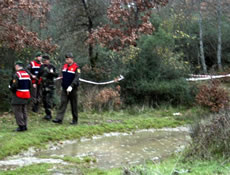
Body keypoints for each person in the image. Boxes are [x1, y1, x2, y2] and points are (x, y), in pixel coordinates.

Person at [52, 52, 81, 125]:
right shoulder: (64, 66)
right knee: (63, 102)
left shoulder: (76, 67)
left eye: (68, 59)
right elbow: (62, 76)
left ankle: (75, 120)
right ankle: (59, 119)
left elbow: (77, 78)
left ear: (71, 59)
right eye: (66, 59)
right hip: (64, 88)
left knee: (73, 104)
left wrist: (71, 86)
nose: (66, 60)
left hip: (73, 89)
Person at [9, 61, 31, 132]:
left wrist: (10, 87)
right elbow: (30, 85)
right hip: (26, 94)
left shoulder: (17, 74)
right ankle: (25, 125)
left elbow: (14, 85)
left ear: (17, 66)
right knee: (24, 110)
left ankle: (21, 126)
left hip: (18, 95)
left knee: (18, 111)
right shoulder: (27, 74)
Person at [37, 54, 58, 120]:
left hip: (50, 86)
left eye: (46, 60)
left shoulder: (52, 66)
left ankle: (49, 114)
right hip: (43, 86)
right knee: (44, 101)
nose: (45, 61)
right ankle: (47, 113)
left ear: (48, 60)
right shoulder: (41, 66)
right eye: (44, 60)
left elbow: (56, 75)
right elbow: (39, 75)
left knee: (48, 100)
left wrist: (51, 73)